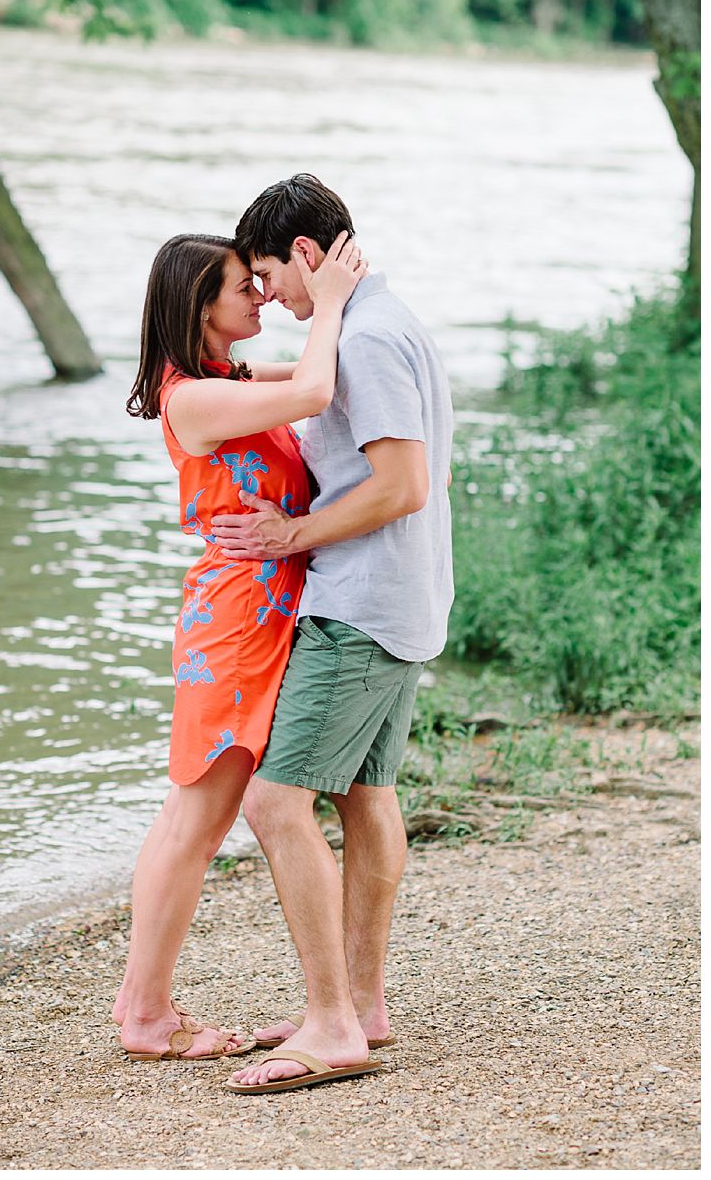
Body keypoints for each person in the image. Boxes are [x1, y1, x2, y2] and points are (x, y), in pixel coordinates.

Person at [214, 174, 454, 1095]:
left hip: (359, 605)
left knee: (275, 803)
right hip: (400, 597)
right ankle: (362, 1005)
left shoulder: (369, 338)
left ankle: (331, 1027)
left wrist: (292, 535)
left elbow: (403, 485)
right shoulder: (379, 323)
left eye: (269, 276)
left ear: (307, 255)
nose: (267, 295)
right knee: (364, 794)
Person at [110, 228, 366, 1061]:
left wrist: (361, 324)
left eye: (260, 283)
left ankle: (139, 1003)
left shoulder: (229, 378)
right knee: (199, 817)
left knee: (192, 815)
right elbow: (316, 386)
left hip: (259, 612)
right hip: (235, 620)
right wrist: (329, 300)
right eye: (241, 286)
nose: (259, 295)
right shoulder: (192, 399)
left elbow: (324, 374)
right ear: (199, 307)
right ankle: (147, 1015)